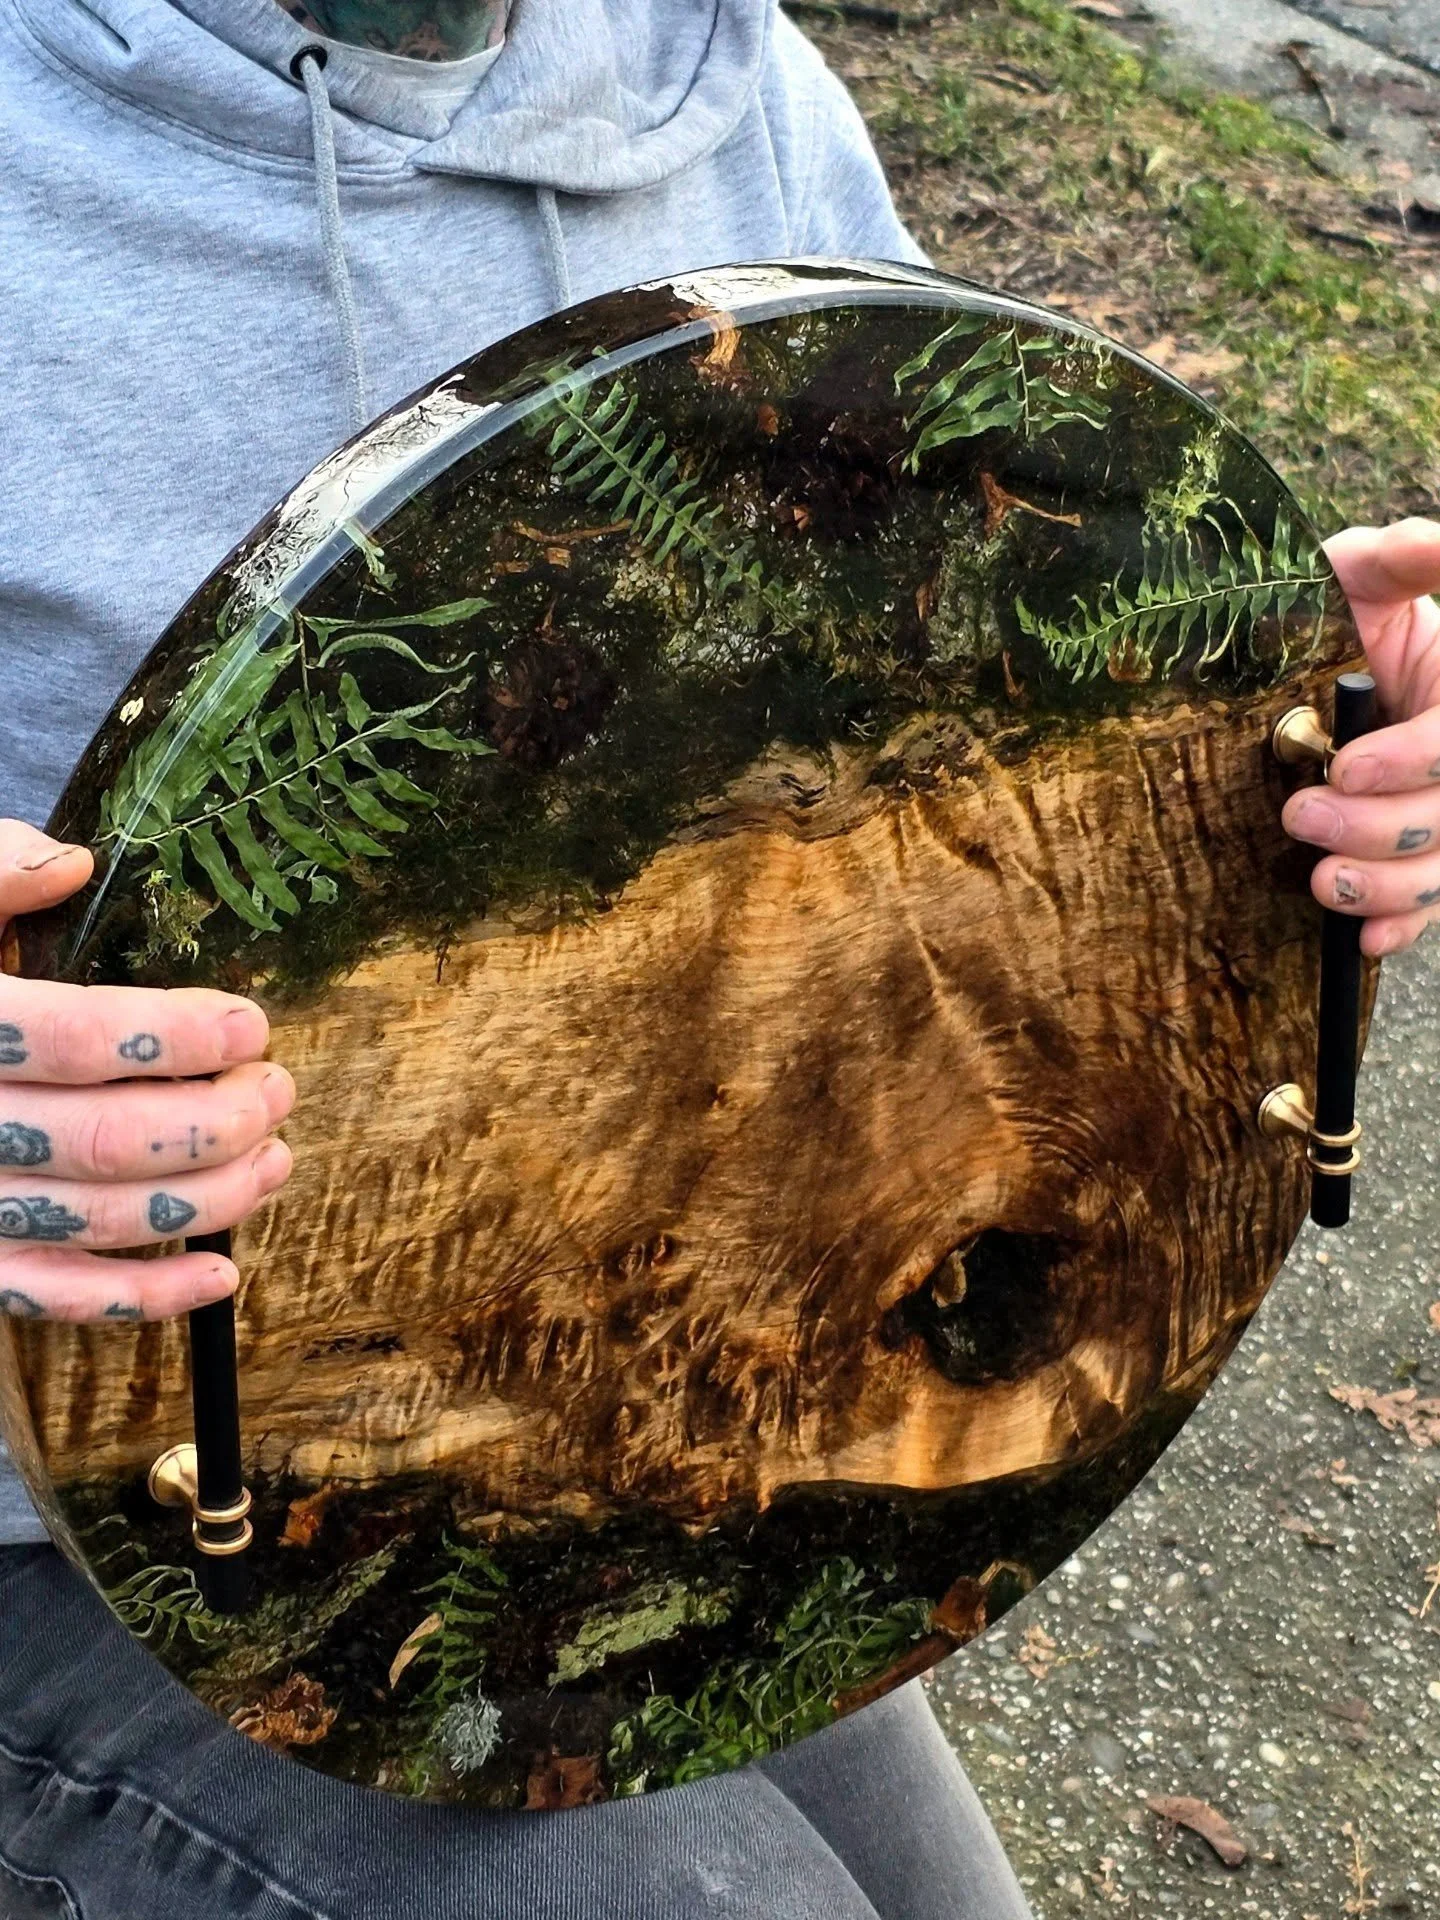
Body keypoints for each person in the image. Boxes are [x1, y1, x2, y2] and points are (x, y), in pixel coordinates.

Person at [0, 2, 1436, 1914]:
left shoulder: (726, 86)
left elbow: (943, 624)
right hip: (83, 1534)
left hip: (653, 1410)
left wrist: (1245, 749)